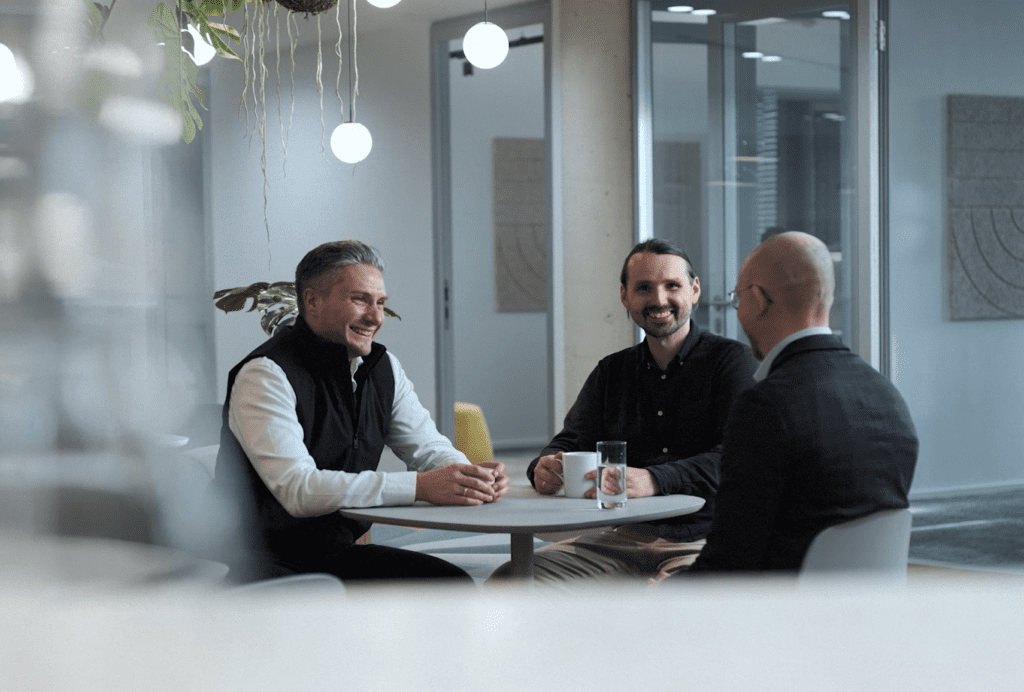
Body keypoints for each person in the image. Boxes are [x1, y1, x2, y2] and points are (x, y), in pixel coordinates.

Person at [213, 240, 509, 583]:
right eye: (360, 300)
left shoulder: (383, 368)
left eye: (380, 303)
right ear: (312, 301)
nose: (376, 317)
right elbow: (299, 489)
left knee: (448, 586)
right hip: (258, 561)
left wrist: (467, 476)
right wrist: (421, 486)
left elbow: (426, 447)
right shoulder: (265, 373)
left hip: (334, 554)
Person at [488, 239, 755, 584]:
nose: (659, 300)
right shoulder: (611, 372)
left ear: (694, 290)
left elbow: (736, 457)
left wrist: (655, 479)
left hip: (705, 541)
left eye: (671, 286)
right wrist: (547, 464)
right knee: (512, 581)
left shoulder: (733, 363)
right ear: (625, 297)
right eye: (644, 288)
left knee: (678, 607)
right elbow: (572, 439)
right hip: (622, 538)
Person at [687, 231, 918, 574]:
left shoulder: (764, 407)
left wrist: (663, 593)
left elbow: (729, 565)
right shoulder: (888, 397)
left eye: (738, 298)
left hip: (775, 619)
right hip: (864, 618)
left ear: (759, 300)